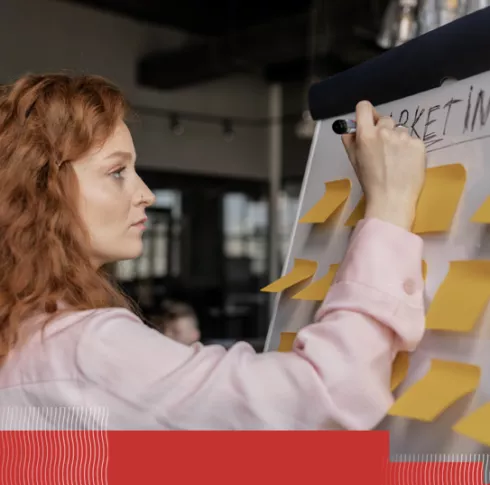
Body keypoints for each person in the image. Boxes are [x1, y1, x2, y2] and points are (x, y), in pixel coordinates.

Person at [0, 73, 426, 430]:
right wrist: (388, 209)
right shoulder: (84, 348)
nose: (145, 194)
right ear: (42, 191)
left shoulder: (22, 337)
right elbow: (325, 399)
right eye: (116, 172)